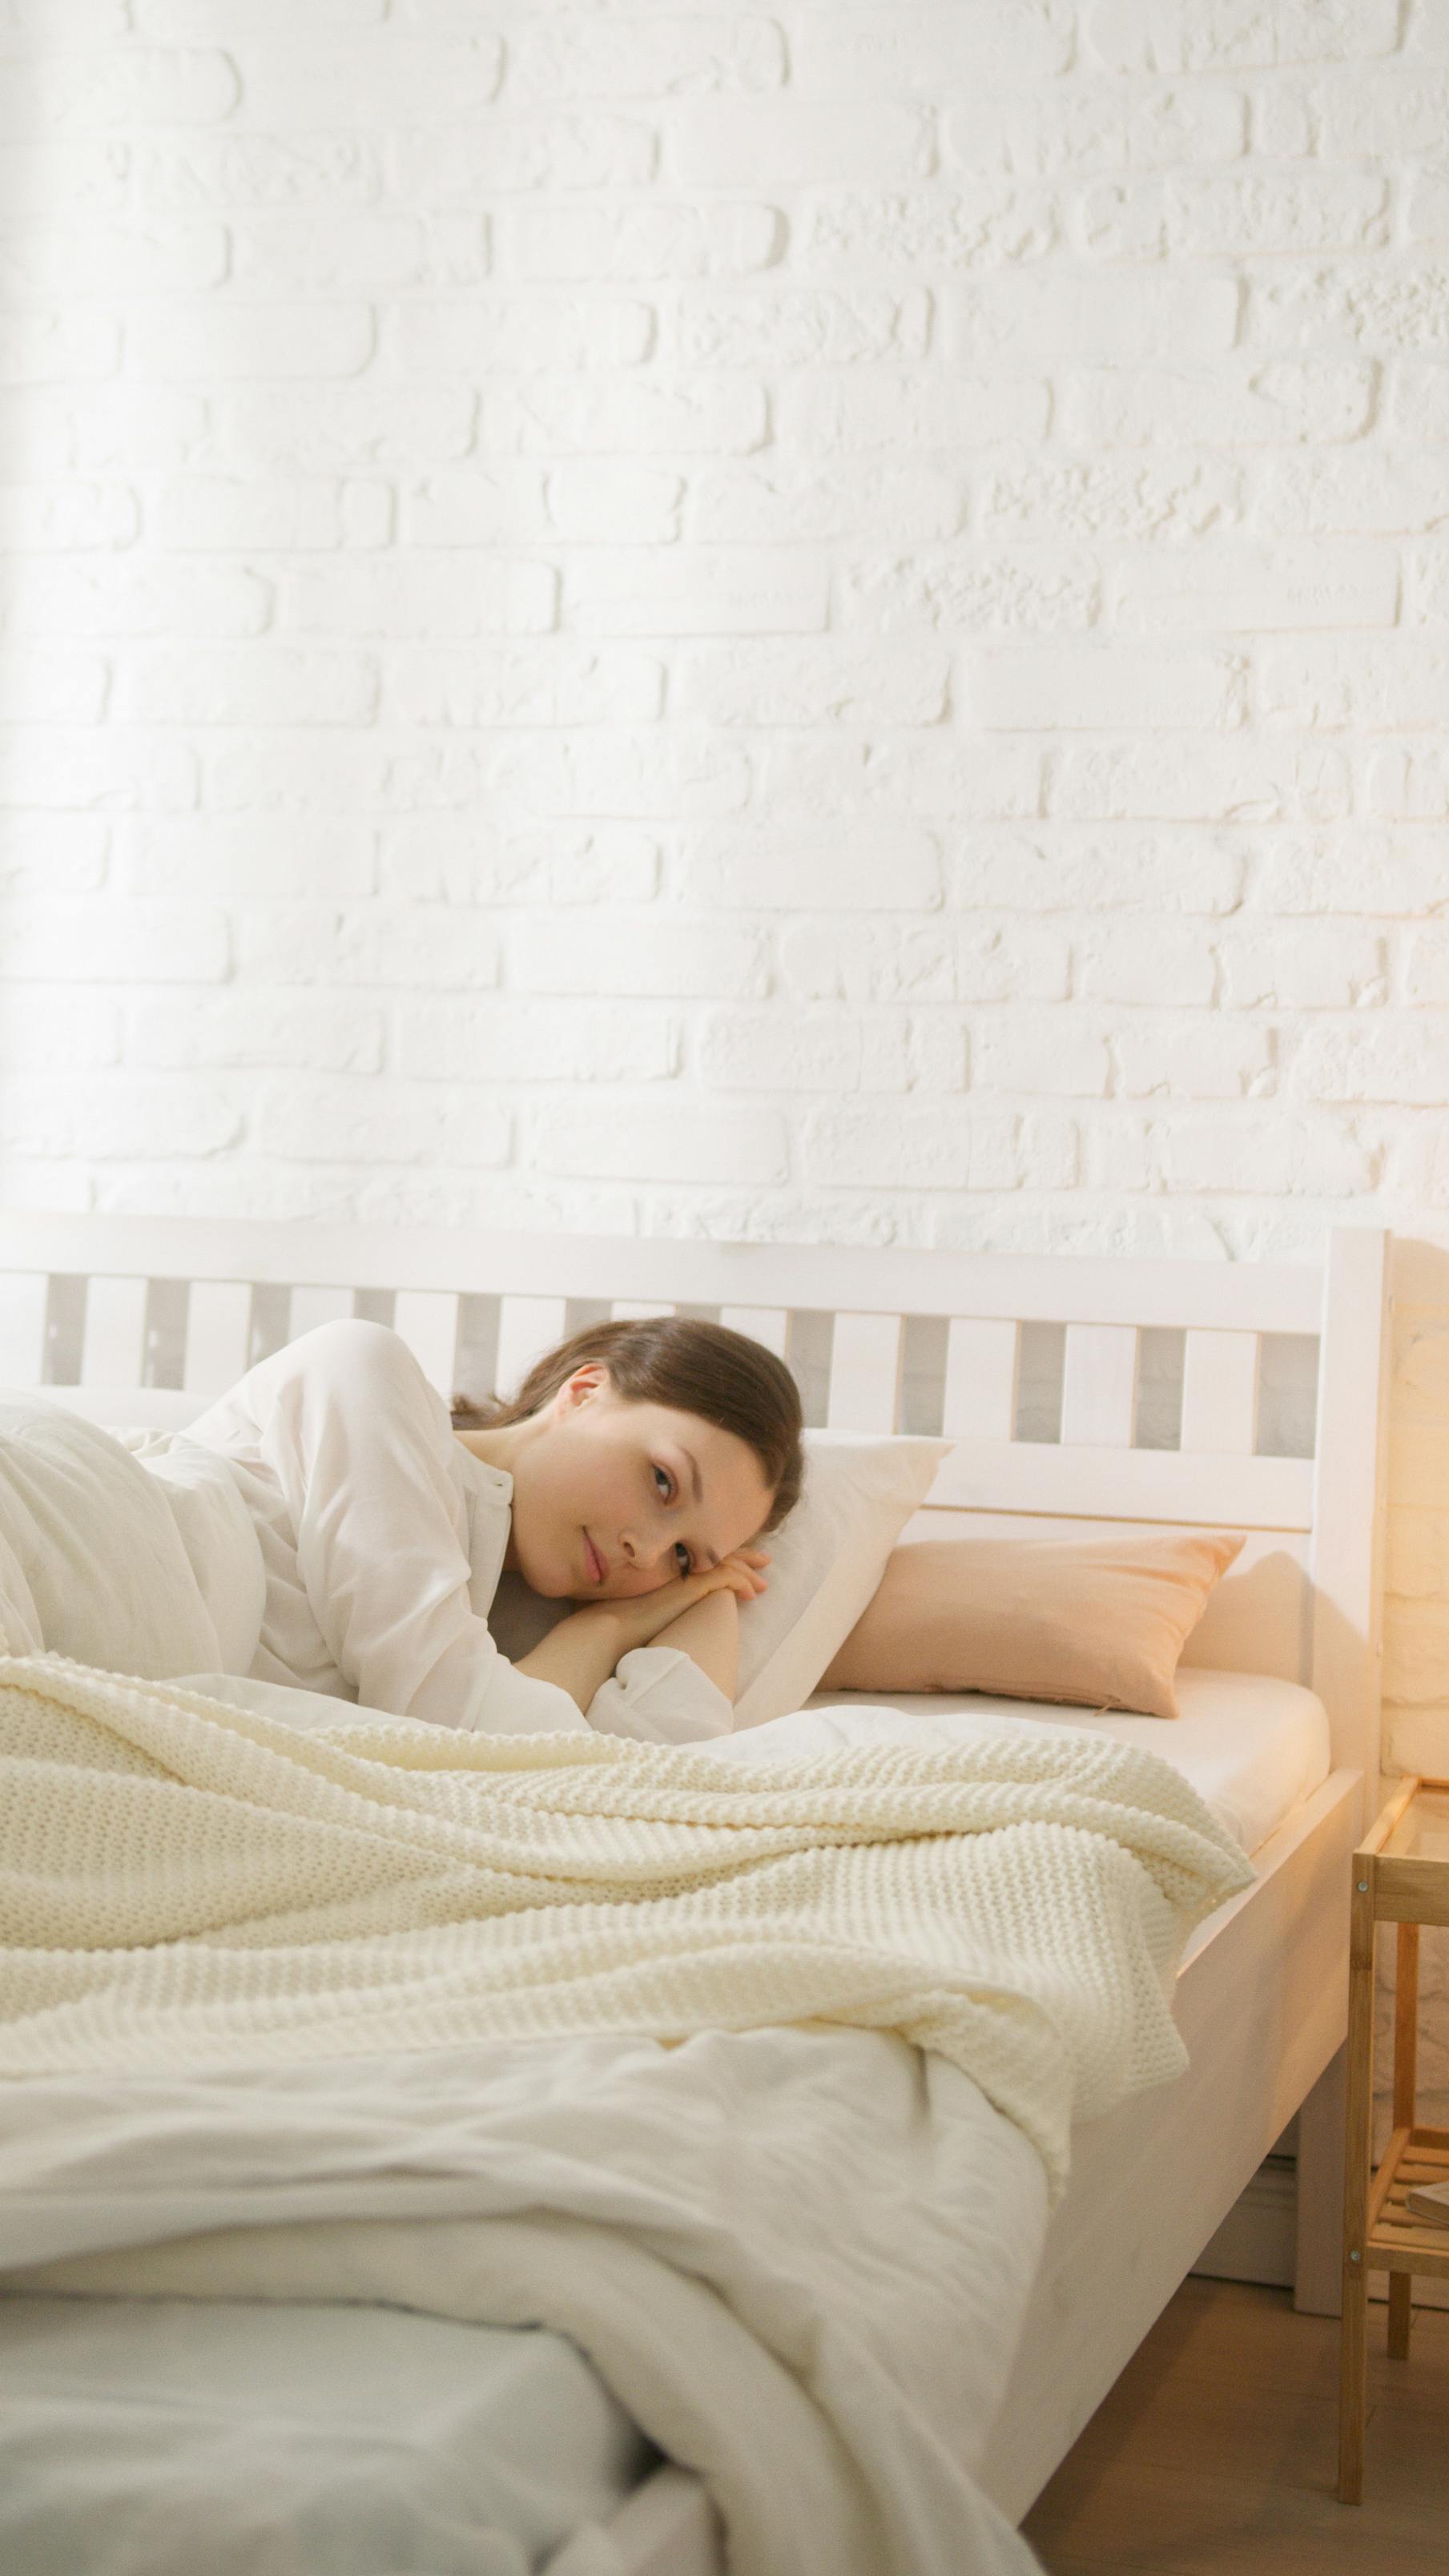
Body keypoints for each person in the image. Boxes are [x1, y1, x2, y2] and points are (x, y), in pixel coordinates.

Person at [183, 1312, 804, 1747]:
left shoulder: (495, 1647)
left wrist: (695, 1601)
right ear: (584, 1393)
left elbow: (648, 1771)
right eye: (664, 1481)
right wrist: (613, 1624)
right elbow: (459, 1736)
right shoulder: (368, 1374)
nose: (645, 1553)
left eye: (685, 1558)